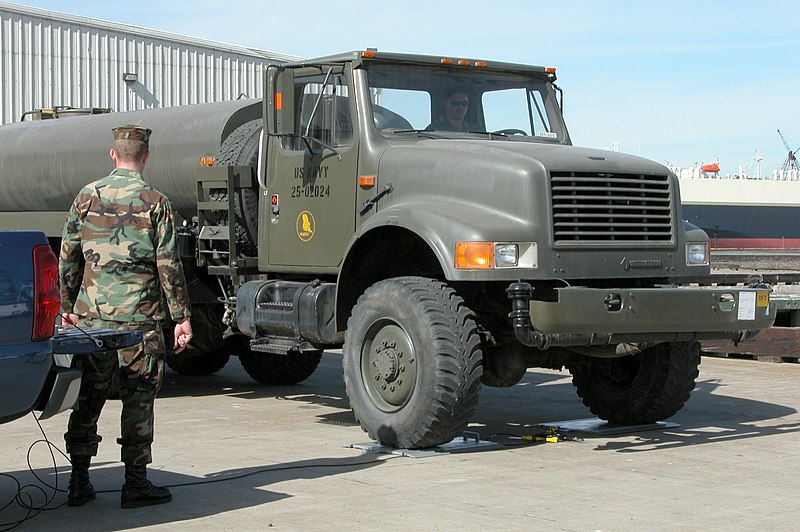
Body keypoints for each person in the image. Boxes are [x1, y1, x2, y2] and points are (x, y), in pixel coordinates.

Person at [59, 125, 193, 509]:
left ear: (112, 154)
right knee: (138, 399)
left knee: (88, 397)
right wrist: (181, 318)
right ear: (146, 156)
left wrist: (67, 308)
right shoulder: (156, 202)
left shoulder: (86, 196)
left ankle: (78, 481)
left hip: (92, 320)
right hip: (140, 322)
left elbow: (68, 256)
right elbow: (169, 265)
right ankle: (135, 483)